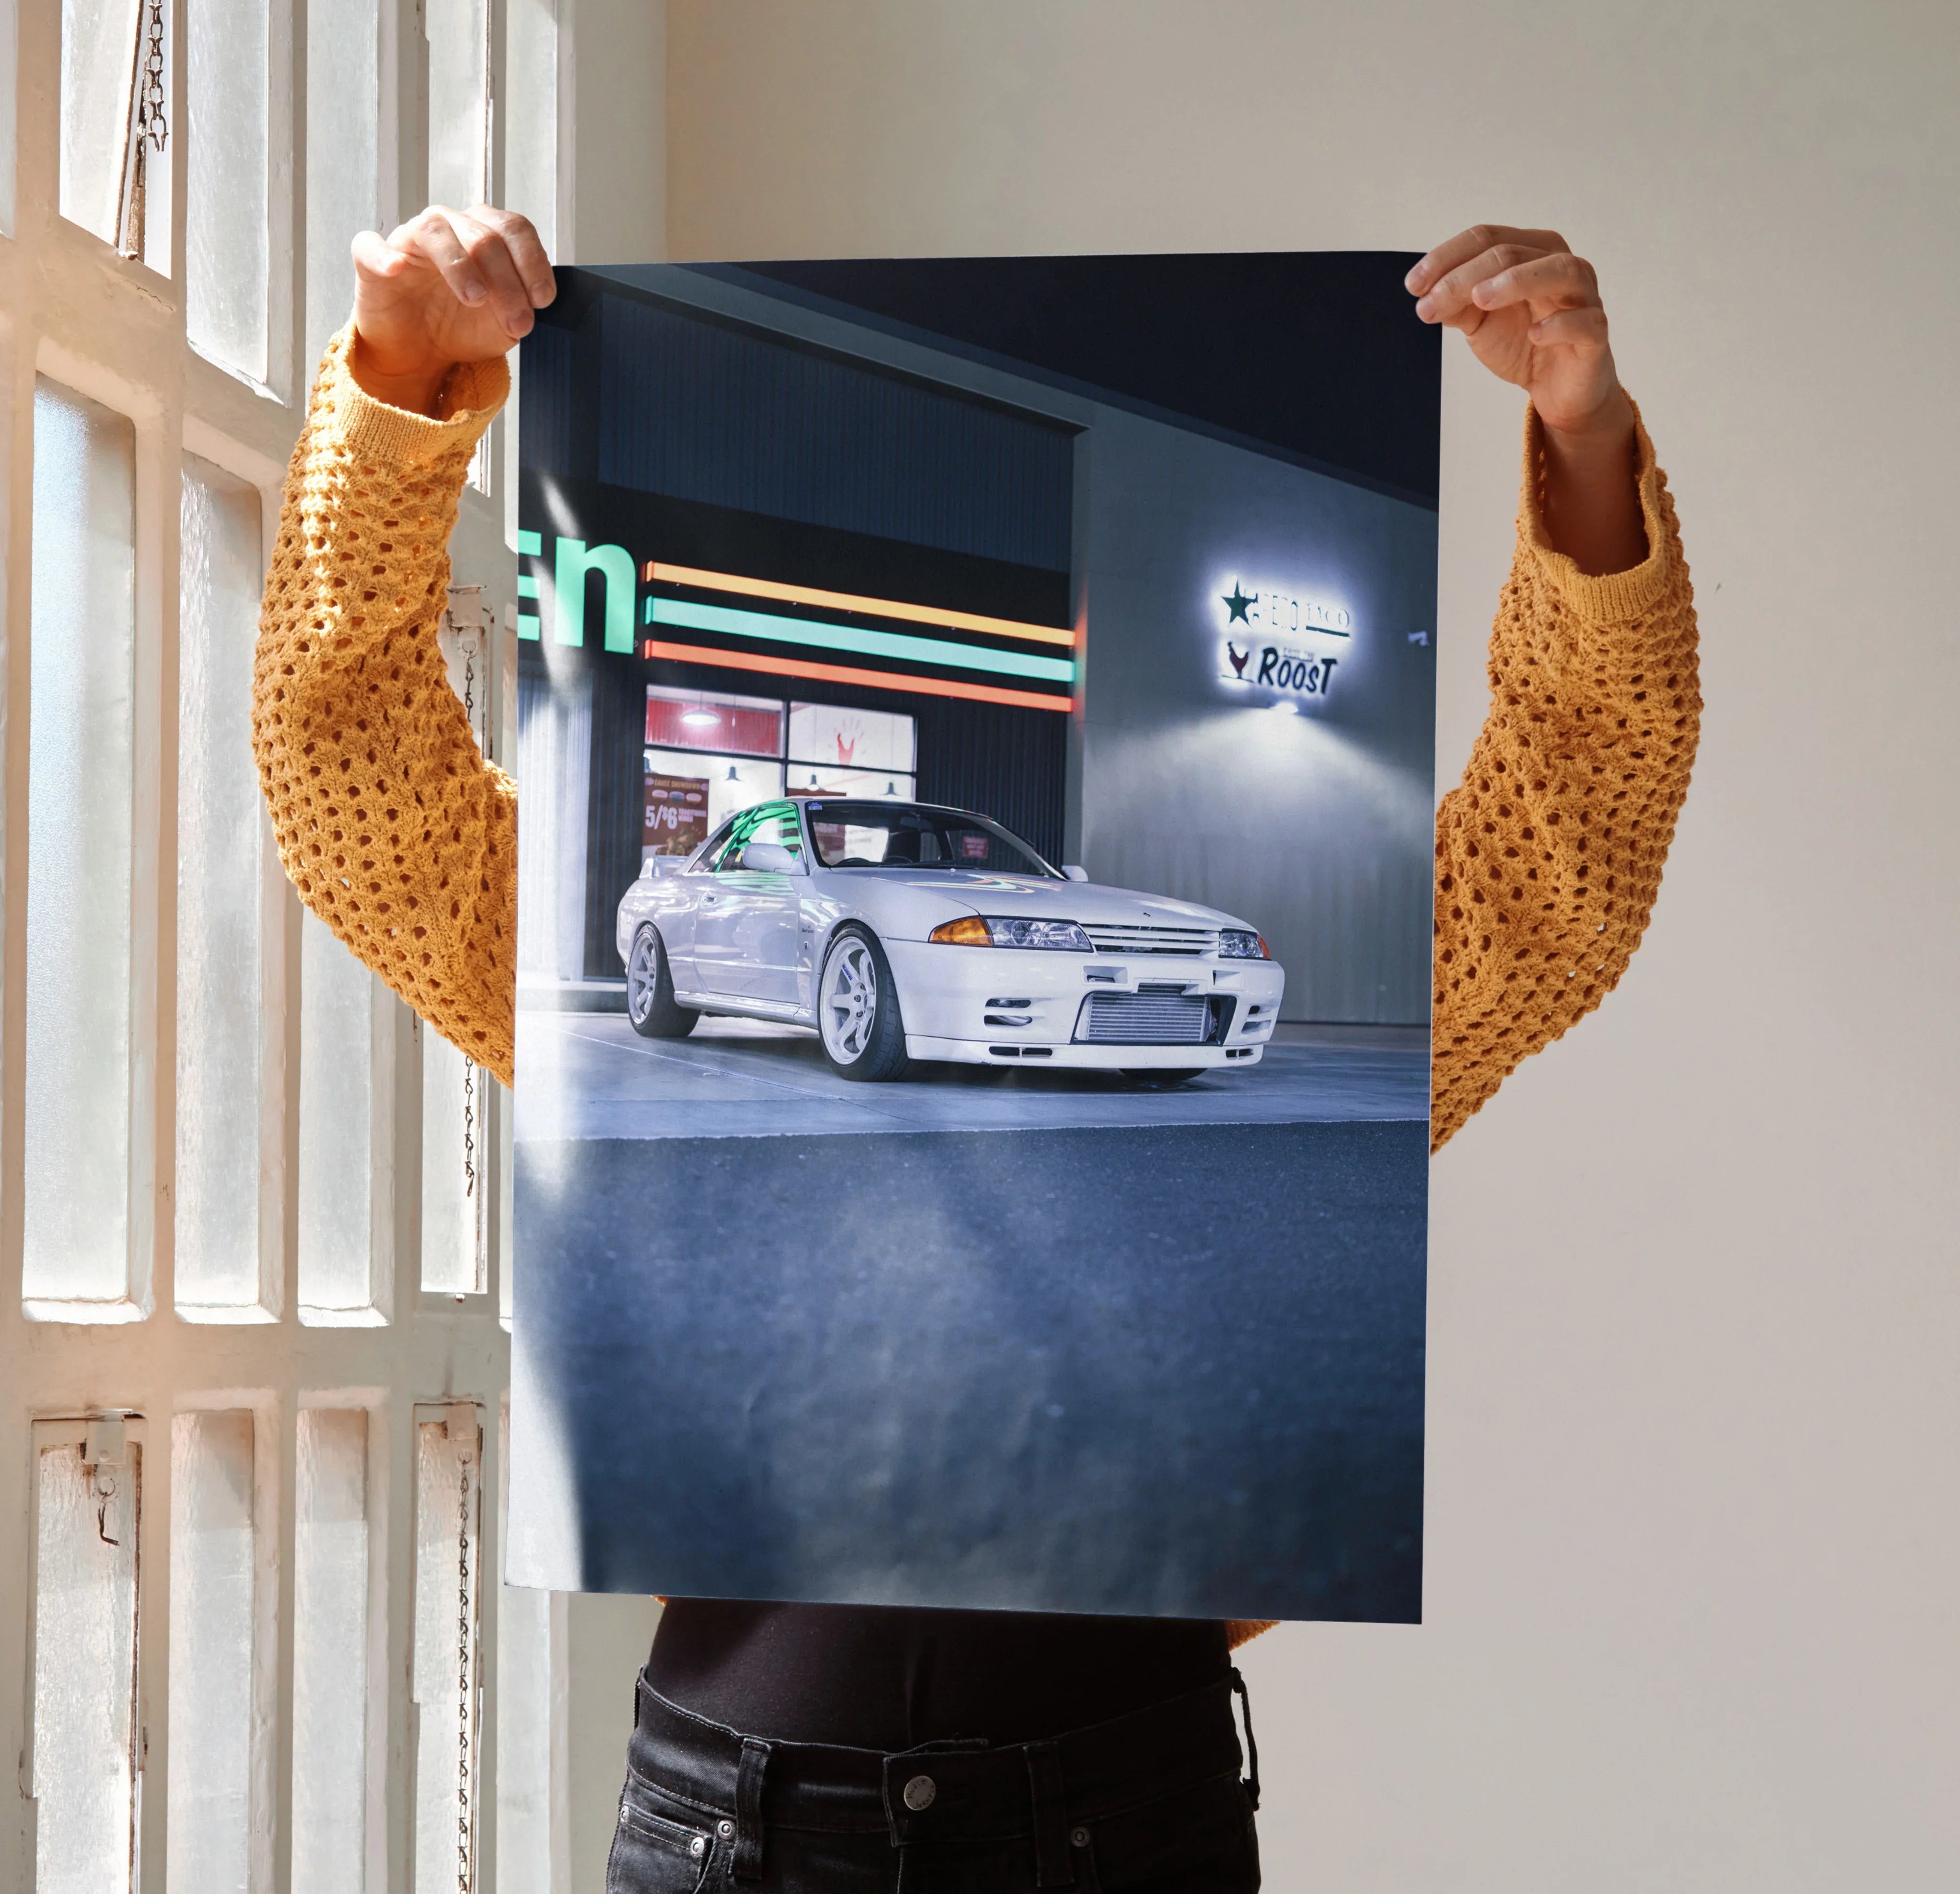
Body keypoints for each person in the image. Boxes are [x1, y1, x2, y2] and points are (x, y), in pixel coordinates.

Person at [253, 208, 1699, 1892]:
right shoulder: (653, 1014)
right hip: (740, 1828)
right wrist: (398, 383)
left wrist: (1583, 439)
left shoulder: (1203, 1055)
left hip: (1126, 1813)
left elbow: (1560, 869)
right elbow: (352, 785)